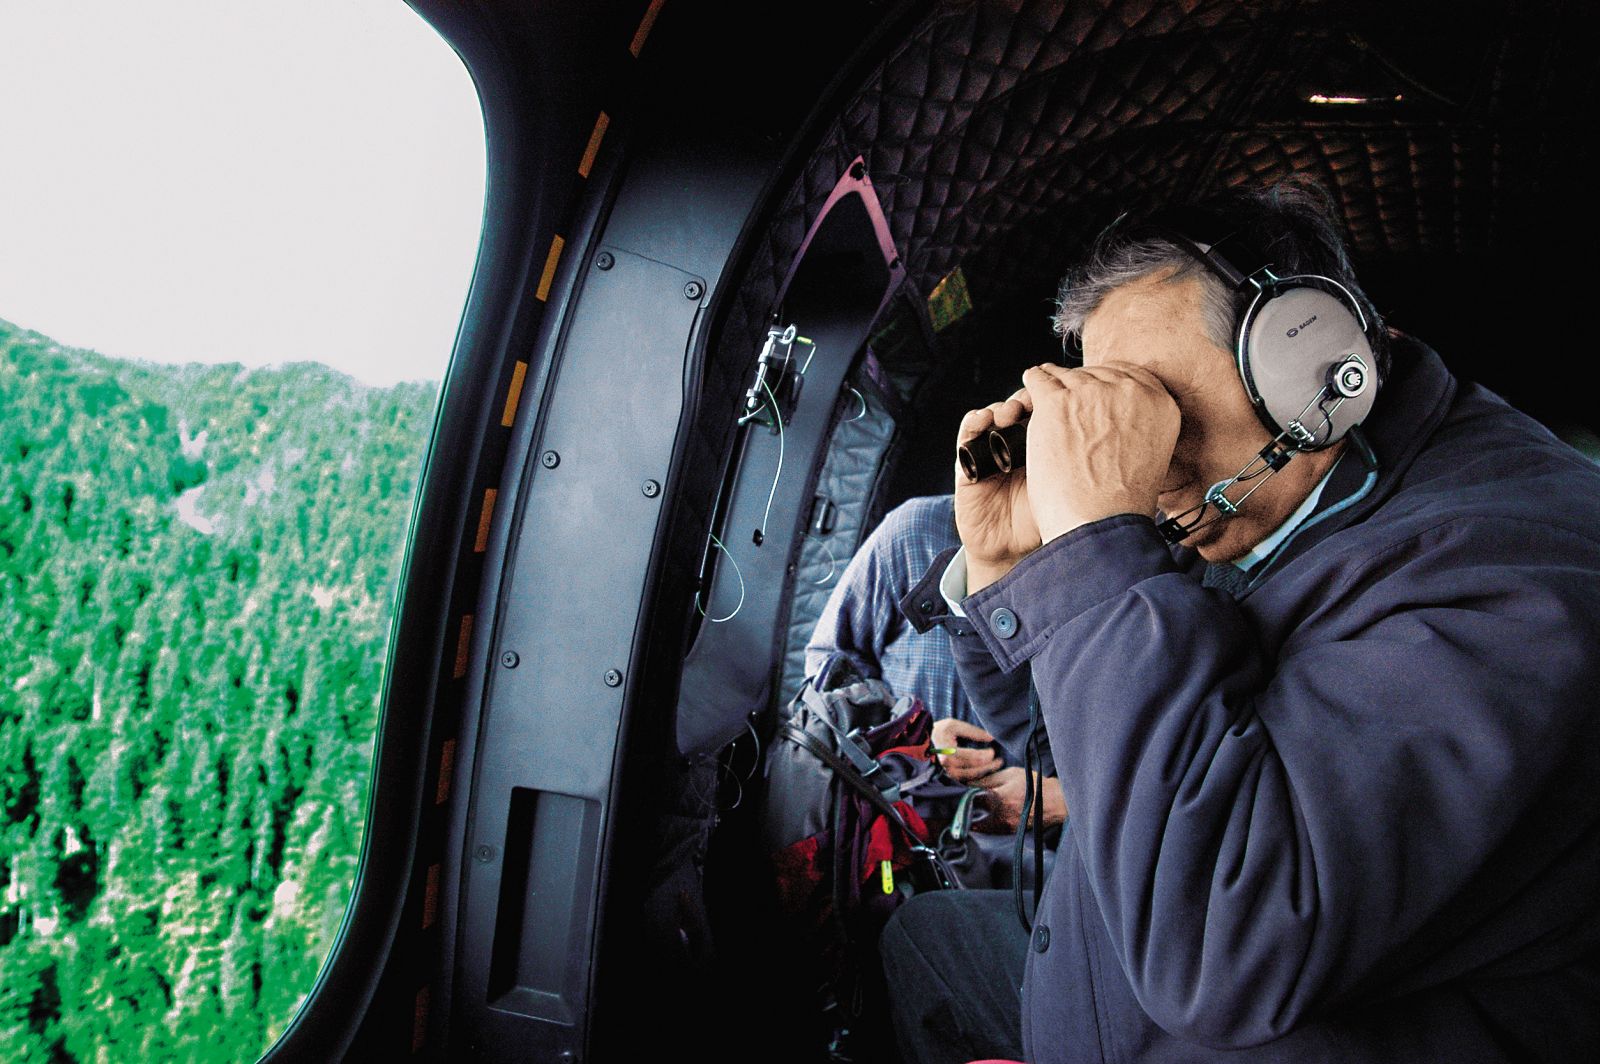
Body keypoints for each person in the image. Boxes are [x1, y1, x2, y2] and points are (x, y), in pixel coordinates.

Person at [880, 183, 1600, 1064]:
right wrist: (1012, 567)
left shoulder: (1519, 585)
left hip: (1213, 988)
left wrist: (1098, 552)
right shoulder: (1266, 508)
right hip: (1114, 971)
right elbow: (1083, 756)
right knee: (922, 939)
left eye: (1162, 407)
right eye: (1119, 413)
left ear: (1315, 363)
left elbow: (1224, 936)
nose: (1143, 461)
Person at [804, 495, 1067, 837]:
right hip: (907, 839)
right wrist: (908, 743)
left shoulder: (1117, 563)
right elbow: (828, 665)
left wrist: (1067, 802)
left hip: (1057, 853)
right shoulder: (916, 532)